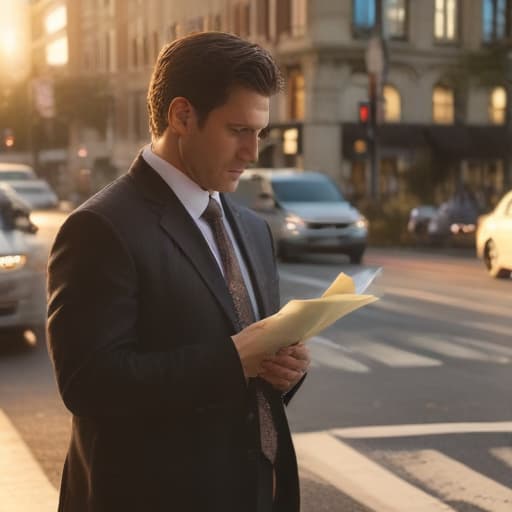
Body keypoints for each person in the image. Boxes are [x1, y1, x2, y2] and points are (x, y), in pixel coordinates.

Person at [47, 31, 310, 512]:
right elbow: (88, 383)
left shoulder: (251, 228)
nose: (254, 153)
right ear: (183, 116)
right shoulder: (99, 227)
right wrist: (234, 358)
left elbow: (249, 374)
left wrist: (282, 371)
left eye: (260, 132)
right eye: (238, 131)